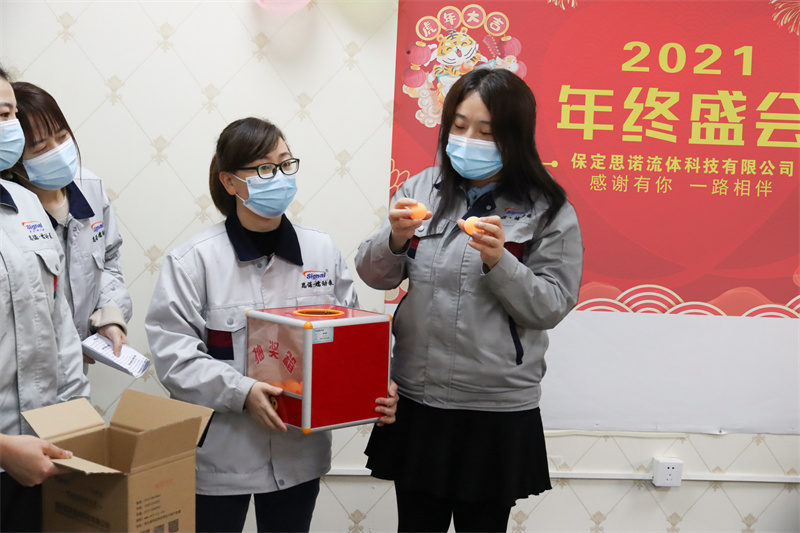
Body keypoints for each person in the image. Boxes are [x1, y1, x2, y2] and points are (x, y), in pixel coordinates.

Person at [355, 68, 584, 533]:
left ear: (514, 136)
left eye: (485, 131)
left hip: (494, 408)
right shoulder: (421, 189)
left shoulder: (548, 208)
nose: (468, 140)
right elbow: (374, 275)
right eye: (459, 126)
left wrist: (501, 262)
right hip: (418, 397)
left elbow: (552, 305)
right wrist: (393, 238)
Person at [144, 117, 399, 533]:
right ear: (230, 182)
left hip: (299, 453)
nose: (278, 177)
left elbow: (352, 337)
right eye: (263, 168)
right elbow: (175, 359)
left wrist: (378, 385)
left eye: (285, 164)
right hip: (222, 456)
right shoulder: (194, 261)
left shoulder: (320, 250)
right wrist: (242, 392)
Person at [0, 66, 90, 532]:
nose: (11, 126)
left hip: (42, 451)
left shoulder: (25, 204)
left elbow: (60, 328)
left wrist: (78, 418)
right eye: (1, 115)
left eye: (11, 113)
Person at [8, 81, 131, 360]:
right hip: (28, 366)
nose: (57, 151)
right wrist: (64, 350)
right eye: (41, 148)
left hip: (79, 364)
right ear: (16, 159)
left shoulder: (91, 187)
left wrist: (109, 318)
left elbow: (109, 260)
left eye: (62, 137)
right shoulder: (11, 211)